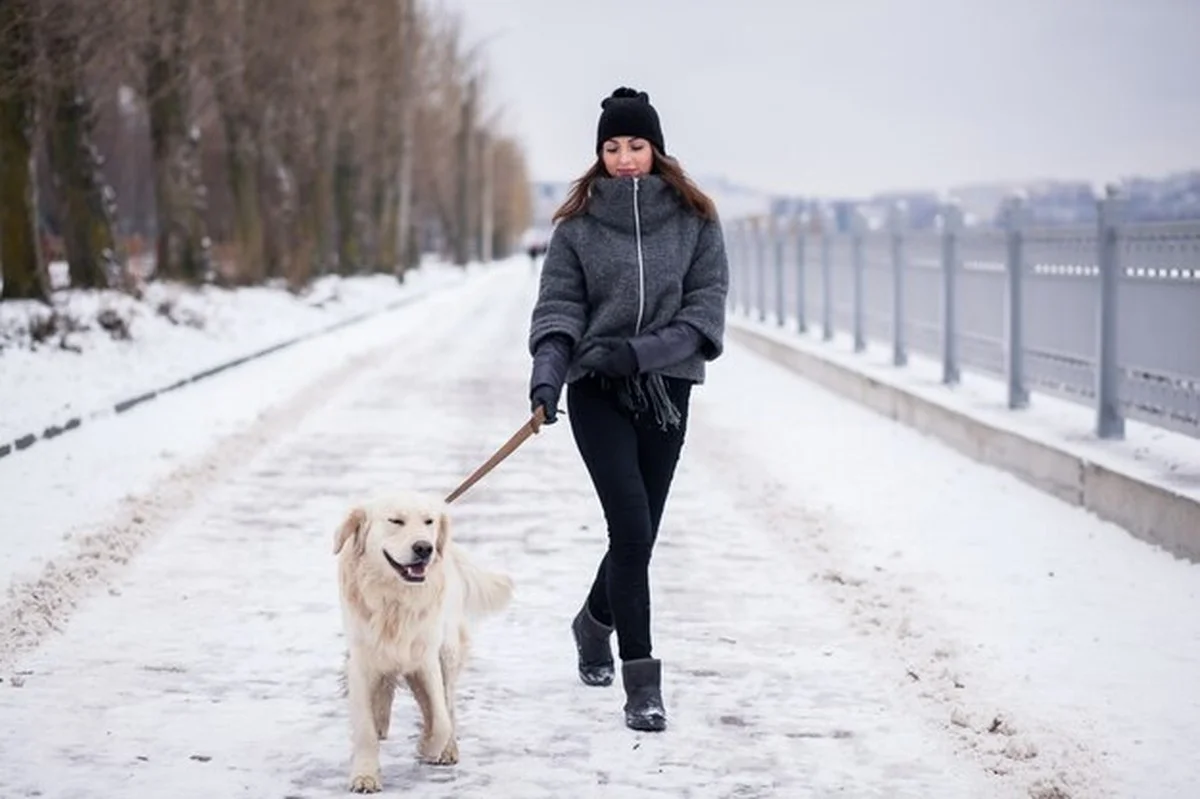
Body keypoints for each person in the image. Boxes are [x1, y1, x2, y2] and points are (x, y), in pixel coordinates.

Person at [526, 86, 729, 732]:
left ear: (656, 148)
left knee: (635, 535)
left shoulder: (697, 219)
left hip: (665, 392)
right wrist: (547, 380)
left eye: (635, 145)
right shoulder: (578, 227)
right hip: (596, 394)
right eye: (612, 147)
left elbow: (703, 315)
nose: (624, 158)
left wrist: (637, 355)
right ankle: (642, 682)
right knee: (632, 530)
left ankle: (592, 624)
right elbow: (558, 312)